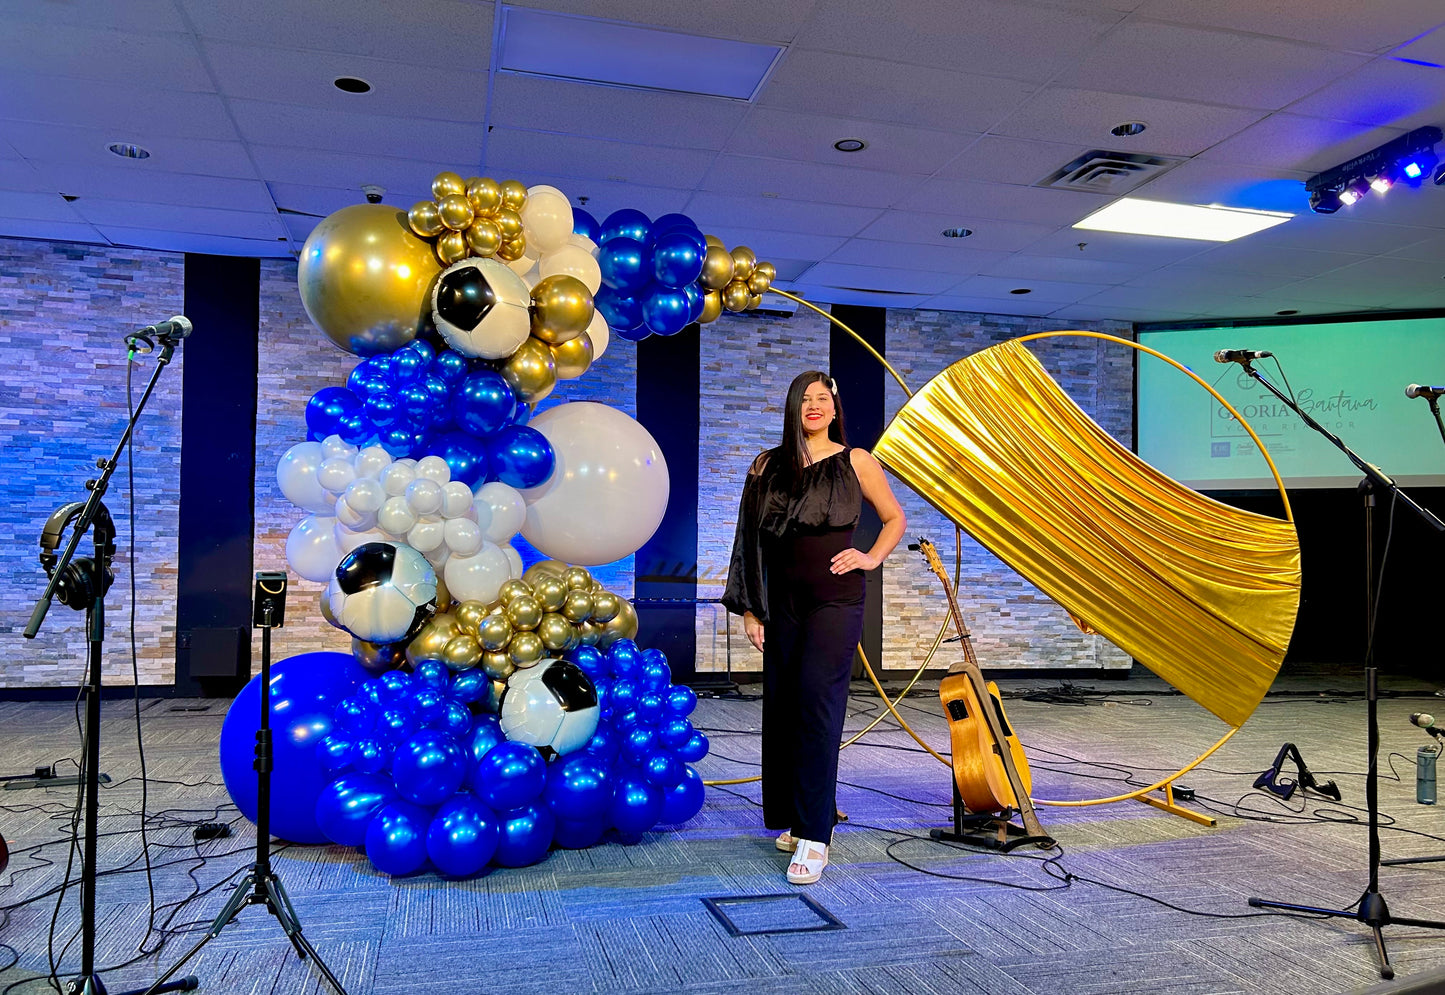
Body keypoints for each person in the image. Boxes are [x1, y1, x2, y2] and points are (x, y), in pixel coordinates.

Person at [722, 371, 906, 885]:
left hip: (836, 601)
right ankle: (797, 817)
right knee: (782, 708)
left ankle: (815, 836)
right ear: (792, 407)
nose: (814, 406)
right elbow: (749, 543)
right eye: (805, 399)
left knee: (818, 709)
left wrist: (869, 558)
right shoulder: (767, 466)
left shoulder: (857, 461)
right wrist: (751, 610)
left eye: (823, 399)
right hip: (782, 604)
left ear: (834, 407)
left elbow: (894, 518)